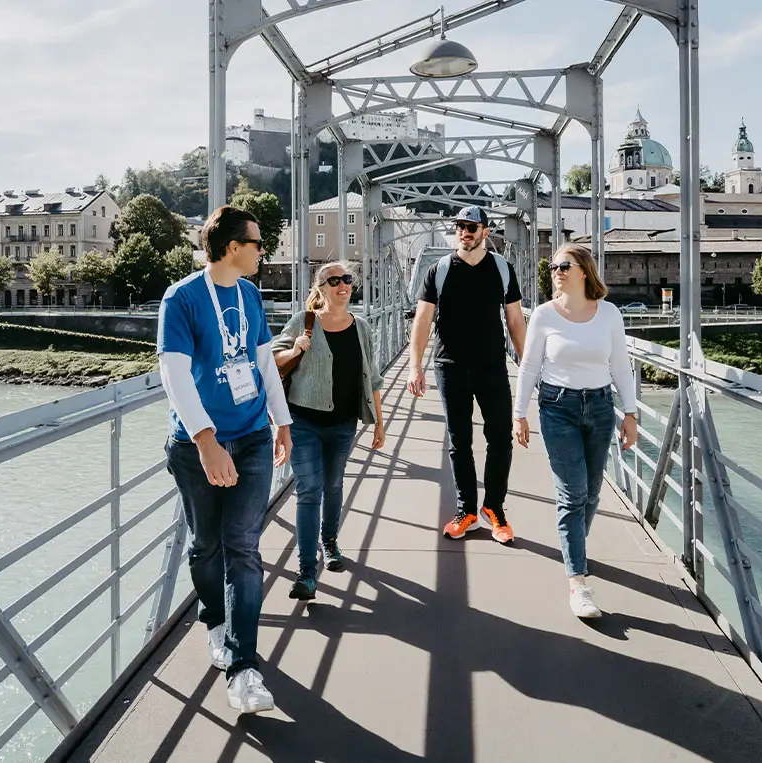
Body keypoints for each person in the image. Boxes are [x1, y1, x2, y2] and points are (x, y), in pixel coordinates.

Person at [156, 205, 292, 714]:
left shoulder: (251, 294)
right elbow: (173, 373)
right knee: (206, 544)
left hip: (253, 434)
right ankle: (215, 619)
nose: (264, 251)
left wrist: (282, 421)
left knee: (243, 546)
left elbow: (263, 361)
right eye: (258, 243)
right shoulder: (183, 298)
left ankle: (243, 667)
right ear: (233, 247)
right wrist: (206, 440)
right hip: (197, 446)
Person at [511, 243, 639, 619]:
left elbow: (621, 365)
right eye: (553, 266)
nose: (556, 270)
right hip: (558, 408)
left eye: (564, 265)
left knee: (593, 492)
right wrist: (520, 415)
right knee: (572, 494)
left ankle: (573, 550)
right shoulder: (545, 316)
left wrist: (630, 414)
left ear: (584, 270)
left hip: (600, 407)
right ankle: (578, 583)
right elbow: (529, 366)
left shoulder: (610, 314)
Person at [408, 205, 527, 544]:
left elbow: (516, 323)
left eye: (472, 227)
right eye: (460, 226)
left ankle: (495, 509)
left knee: (500, 439)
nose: (465, 232)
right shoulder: (440, 270)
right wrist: (415, 366)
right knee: (460, 442)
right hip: (450, 367)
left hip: (492, 366)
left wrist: (529, 367)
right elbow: (422, 320)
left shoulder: (502, 269)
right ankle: (467, 511)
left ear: (485, 232)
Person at [271, 260, 387, 601]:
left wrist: (379, 423)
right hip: (304, 421)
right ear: (320, 289)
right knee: (310, 490)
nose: (342, 285)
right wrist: (295, 349)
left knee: (334, 484)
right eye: (333, 280)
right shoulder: (305, 322)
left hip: (343, 423)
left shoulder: (361, 327)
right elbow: (273, 357)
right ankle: (307, 571)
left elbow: (374, 377)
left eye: (347, 279)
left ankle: (330, 542)